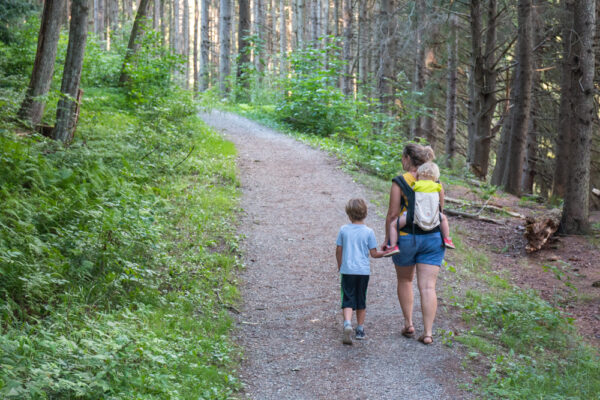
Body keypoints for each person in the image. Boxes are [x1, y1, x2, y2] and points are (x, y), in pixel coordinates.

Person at [383, 144, 446, 345]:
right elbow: (440, 210)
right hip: (433, 238)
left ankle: (409, 324)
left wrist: (388, 239)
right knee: (428, 287)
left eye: (403, 157)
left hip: (407, 237)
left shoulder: (400, 182)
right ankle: (428, 333)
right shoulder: (435, 181)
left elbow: (393, 214)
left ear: (408, 158)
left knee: (405, 280)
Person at [336, 198, 388, 345]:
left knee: (347, 297)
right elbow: (374, 254)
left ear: (349, 214)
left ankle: (347, 323)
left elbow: (338, 250)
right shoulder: (369, 232)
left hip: (347, 270)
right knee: (361, 298)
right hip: (363, 272)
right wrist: (386, 252)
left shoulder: (343, 230)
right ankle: (360, 329)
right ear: (365, 213)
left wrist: (340, 265)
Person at [385, 161, 455, 256]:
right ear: (435, 177)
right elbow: (440, 202)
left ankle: (393, 246)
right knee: (443, 218)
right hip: (432, 216)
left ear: (419, 174)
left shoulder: (416, 185)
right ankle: (447, 239)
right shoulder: (437, 186)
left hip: (414, 216)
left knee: (393, 225)